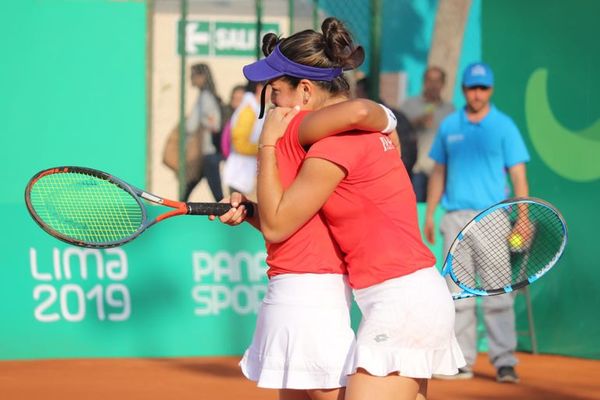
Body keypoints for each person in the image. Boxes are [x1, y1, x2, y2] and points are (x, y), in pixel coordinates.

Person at [222, 17, 465, 400]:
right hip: (406, 298)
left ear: (304, 92)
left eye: (274, 93)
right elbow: (294, 218)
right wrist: (251, 209)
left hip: (402, 303)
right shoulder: (345, 136)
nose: (271, 106)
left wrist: (268, 144)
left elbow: (277, 226)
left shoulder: (333, 140)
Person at [424, 62, 530, 384]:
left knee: (498, 294)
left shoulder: (504, 126)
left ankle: (504, 361)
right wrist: (430, 213)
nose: (477, 94)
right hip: (455, 219)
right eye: (472, 87)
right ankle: (462, 361)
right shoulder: (449, 126)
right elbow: (438, 171)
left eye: (483, 88)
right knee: (458, 295)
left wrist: (522, 218)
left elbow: (518, 175)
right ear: (463, 90)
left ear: (491, 90)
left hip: (494, 218)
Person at [401, 66, 454, 202]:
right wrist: (416, 122)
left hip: (440, 172)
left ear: (443, 84)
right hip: (416, 169)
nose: (433, 85)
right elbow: (399, 131)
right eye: (430, 80)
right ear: (424, 82)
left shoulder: (450, 111)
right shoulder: (409, 105)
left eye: (437, 81)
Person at [355, 77, 418, 175]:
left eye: (357, 93)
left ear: (363, 93)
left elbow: (408, 150)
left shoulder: (392, 117)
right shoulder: (395, 115)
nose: (354, 98)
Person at [184, 63, 223, 201]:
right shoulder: (204, 96)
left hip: (209, 152)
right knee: (189, 185)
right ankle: (180, 208)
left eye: (193, 75)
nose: (191, 78)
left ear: (202, 77)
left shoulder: (206, 97)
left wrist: (201, 124)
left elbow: (215, 123)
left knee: (218, 194)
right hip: (205, 152)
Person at [221, 81, 266, 198]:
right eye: (272, 88)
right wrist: (264, 149)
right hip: (241, 174)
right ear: (260, 88)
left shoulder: (255, 108)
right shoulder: (248, 110)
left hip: (245, 172)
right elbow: (239, 143)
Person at [220, 84, 246, 160]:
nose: (236, 102)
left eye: (239, 100)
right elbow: (225, 145)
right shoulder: (230, 120)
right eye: (234, 99)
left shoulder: (250, 119)